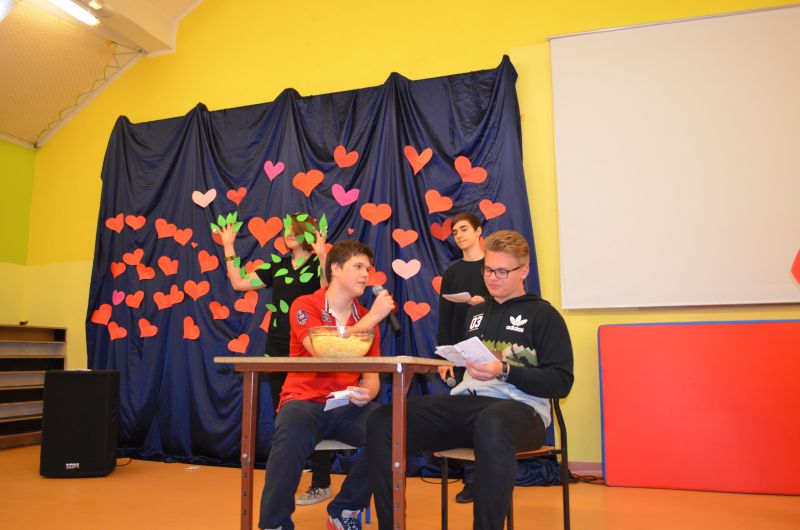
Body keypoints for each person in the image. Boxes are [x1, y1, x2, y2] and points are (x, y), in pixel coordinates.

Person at [367, 230, 574, 530]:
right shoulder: (476, 313)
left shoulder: (544, 316)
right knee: (384, 419)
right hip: (469, 405)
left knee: (492, 422)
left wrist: (505, 370)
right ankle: (391, 525)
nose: (492, 278)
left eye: (502, 271)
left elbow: (561, 382)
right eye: (488, 270)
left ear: (524, 271)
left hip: (521, 412)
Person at [258, 240, 395, 530]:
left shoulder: (364, 318)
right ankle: (274, 523)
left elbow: (372, 378)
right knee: (290, 436)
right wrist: (372, 318)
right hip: (303, 401)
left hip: (346, 405)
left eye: (368, 268)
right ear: (335, 268)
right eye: (358, 266)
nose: (365, 274)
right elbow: (322, 350)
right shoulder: (305, 305)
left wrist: (366, 394)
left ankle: (345, 510)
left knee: (392, 431)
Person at [219, 212, 334, 505]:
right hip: (278, 350)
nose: (289, 233)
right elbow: (239, 283)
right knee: (283, 417)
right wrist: (229, 245)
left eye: (295, 229)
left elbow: (327, 295)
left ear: (308, 233)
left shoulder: (317, 264)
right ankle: (288, 481)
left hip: (310, 351)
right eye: (286, 229)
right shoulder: (277, 266)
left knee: (315, 413)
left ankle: (321, 483)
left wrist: (322, 256)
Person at [434, 211, 489, 503]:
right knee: (464, 417)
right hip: (460, 353)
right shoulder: (452, 273)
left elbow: (511, 304)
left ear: (479, 231)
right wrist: (445, 357)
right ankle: (471, 479)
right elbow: (445, 318)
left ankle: (490, 477)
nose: (459, 235)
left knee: (487, 415)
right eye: (455, 232)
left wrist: (485, 304)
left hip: (489, 351)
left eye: (464, 229)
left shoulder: (492, 267)